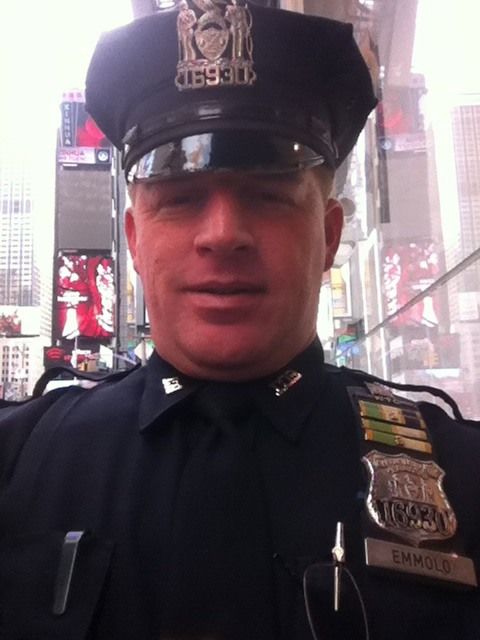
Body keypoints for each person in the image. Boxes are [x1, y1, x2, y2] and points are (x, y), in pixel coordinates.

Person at [0, 3, 479, 639]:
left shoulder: (465, 478)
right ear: (135, 240)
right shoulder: (18, 462)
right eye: (181, 200)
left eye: (268, 196)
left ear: (329, 236)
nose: (223, 234)